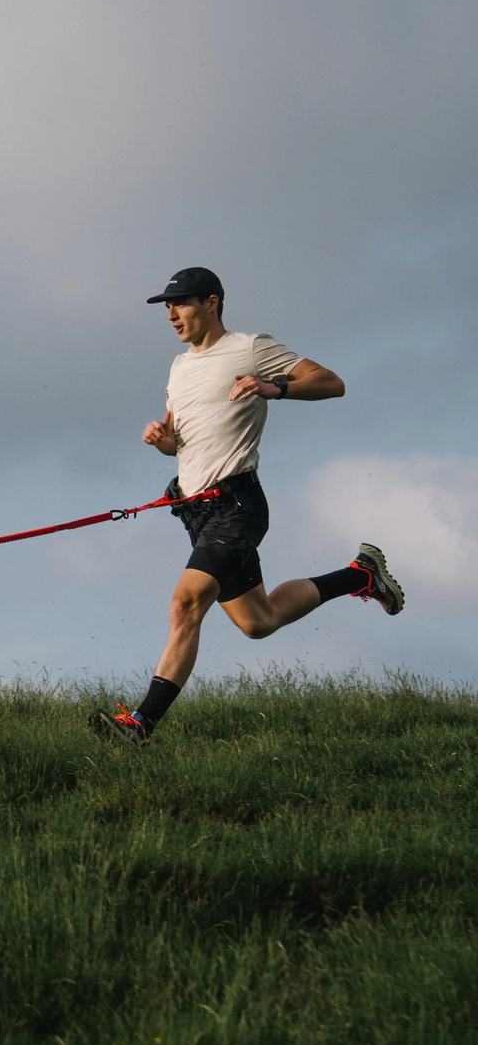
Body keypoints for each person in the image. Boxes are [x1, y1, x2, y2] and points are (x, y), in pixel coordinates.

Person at [91, 267, 403, 747]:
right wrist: (162, 440)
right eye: (167, 307)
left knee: (185, 603)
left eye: (181, 303)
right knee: (259, 622)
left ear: (211, 302)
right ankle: (360, 576)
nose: (171, 314)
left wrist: (274, 387)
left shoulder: (251, 348)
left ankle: (140, 725)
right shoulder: (178, 368)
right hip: (196, 511)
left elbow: (331, 382)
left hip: (235, 505)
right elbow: (181, 444)